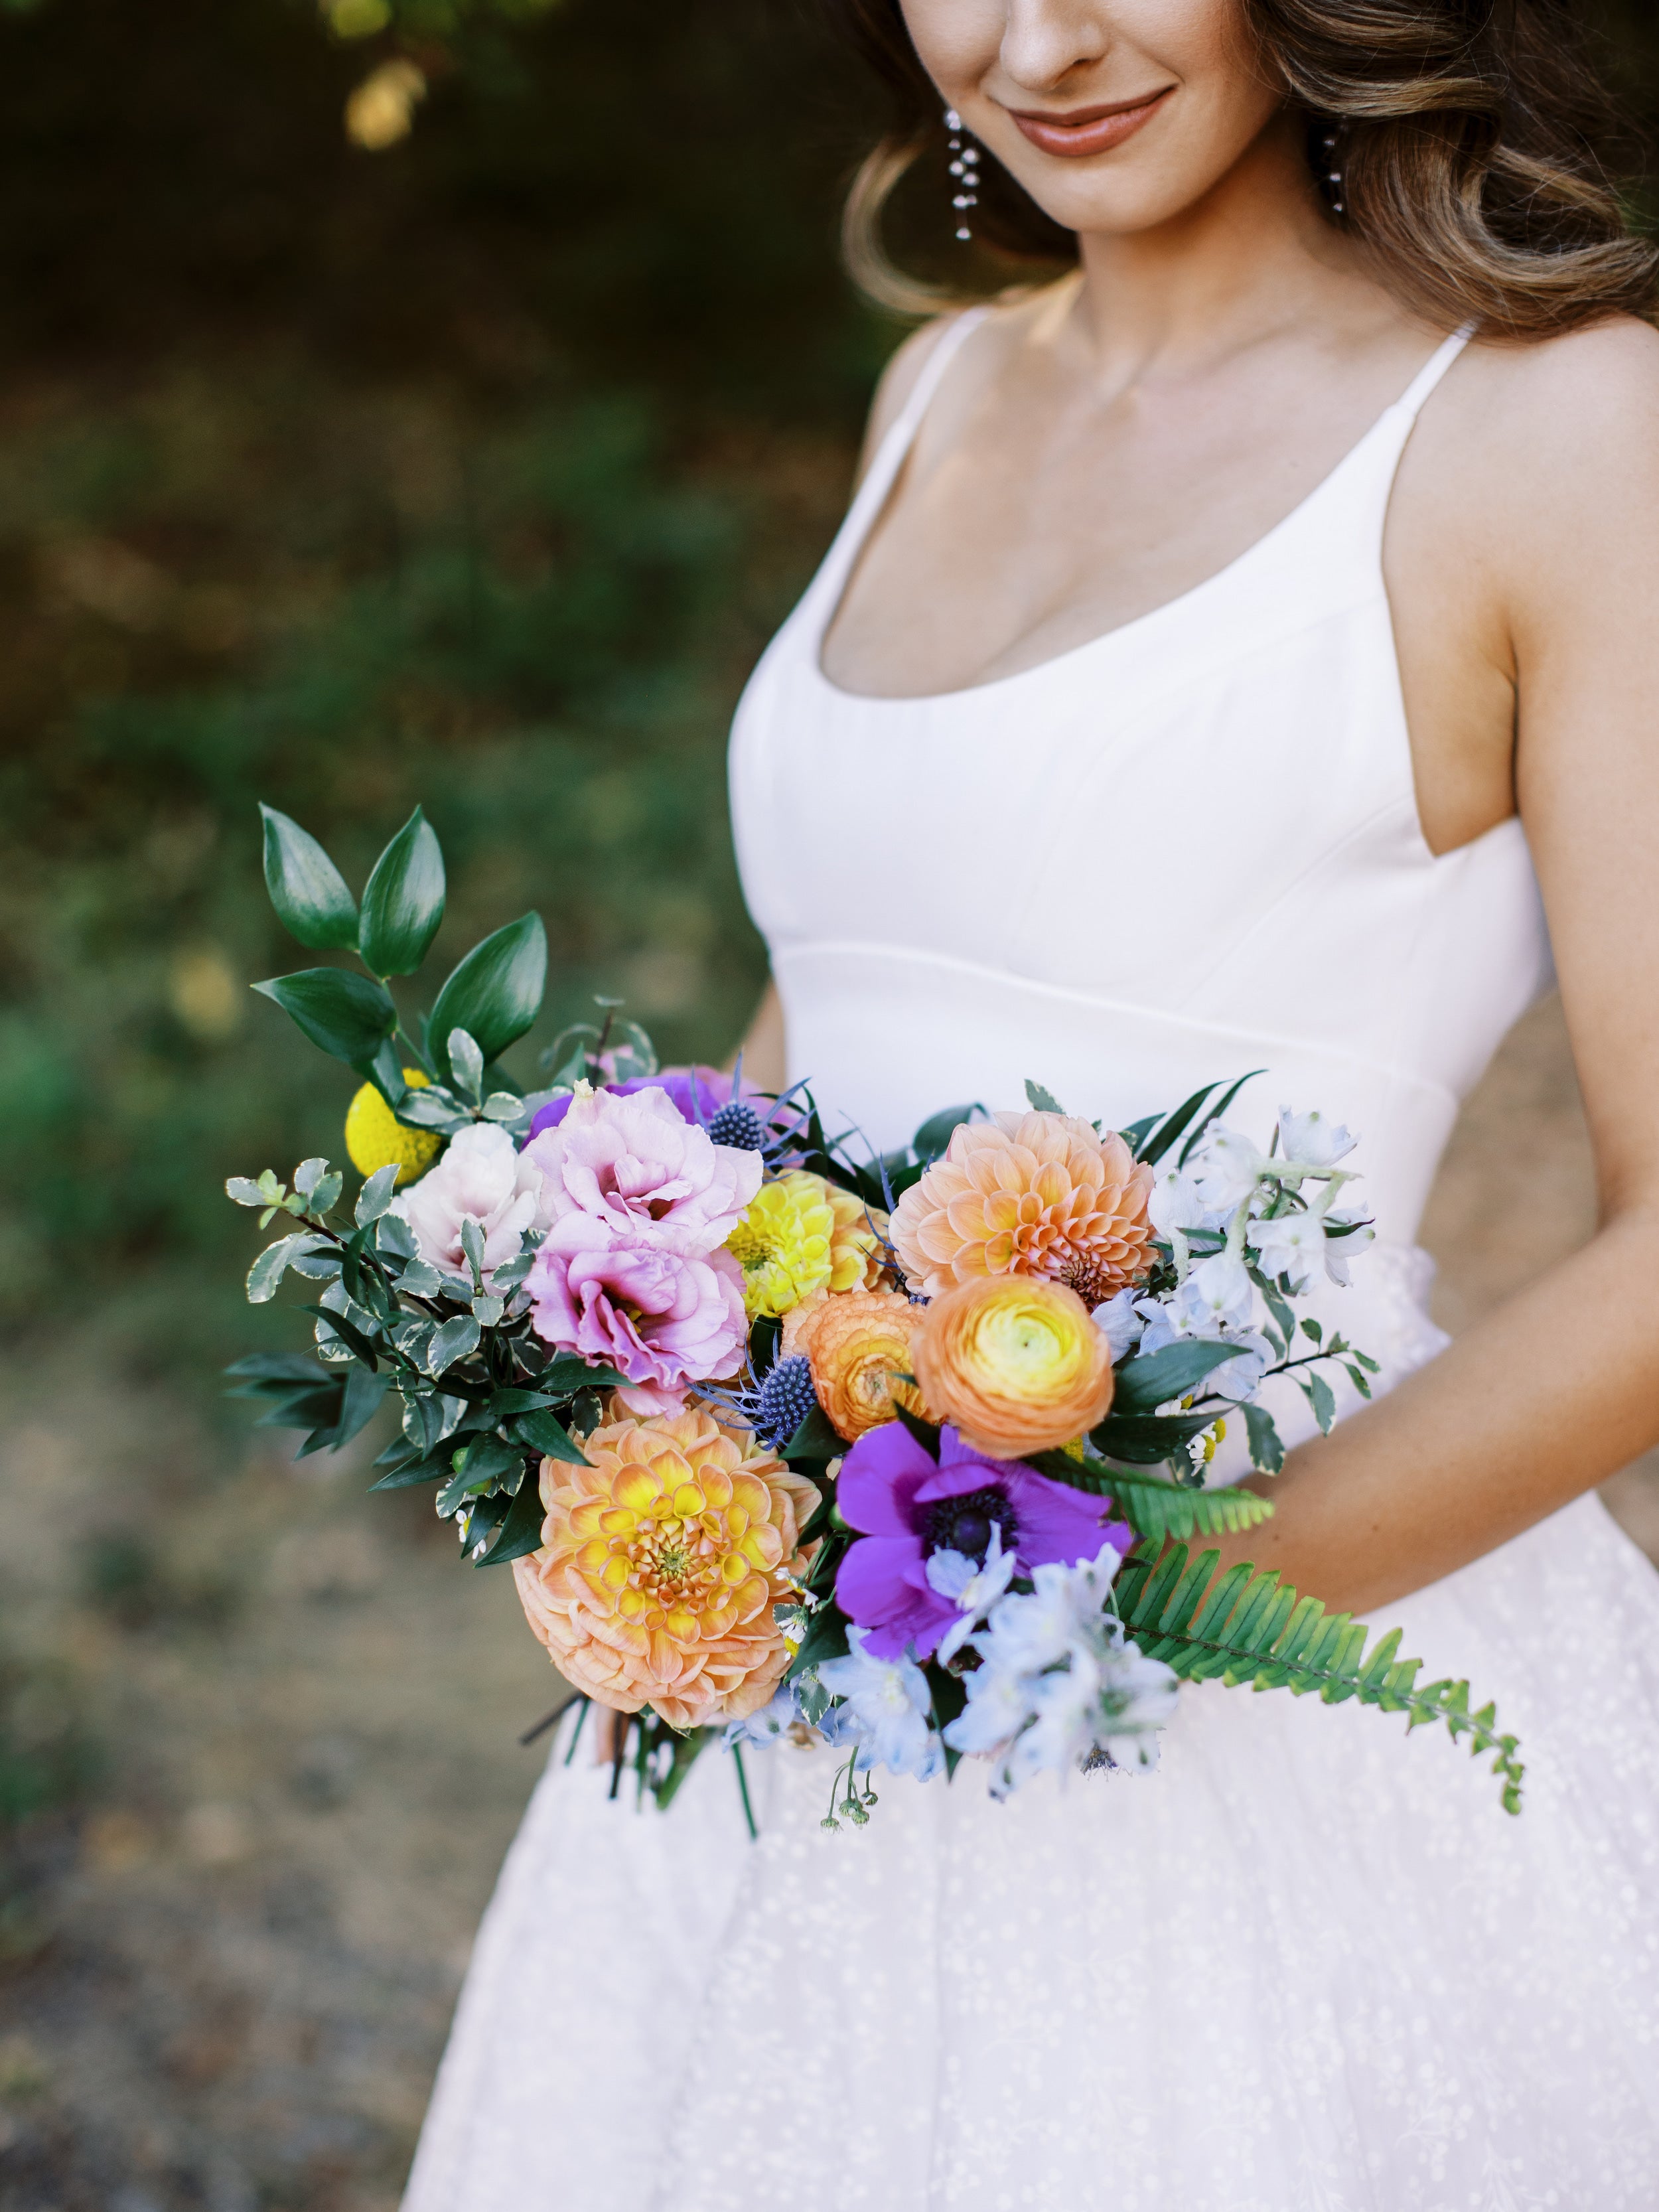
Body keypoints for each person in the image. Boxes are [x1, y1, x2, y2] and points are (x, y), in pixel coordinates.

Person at [403, 2, 1659, 2204]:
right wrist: (622, 1376)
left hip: (1275, 1634)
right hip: (797, 1637)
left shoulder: (1560, 431)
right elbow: (821, 1037)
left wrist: (1137, 1593)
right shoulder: (938, 391)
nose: (1034, 37)